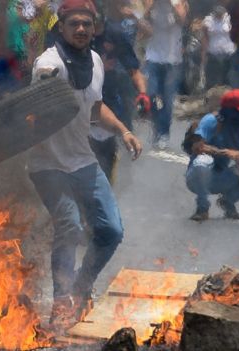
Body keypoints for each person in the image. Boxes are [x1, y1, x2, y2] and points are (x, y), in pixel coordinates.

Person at [29, 0, 143, 332]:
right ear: (61, 27)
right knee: (69, 227)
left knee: (111, 231)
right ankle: (62, 304)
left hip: (82, 160)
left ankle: (80, 288)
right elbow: (31, 114)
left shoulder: (94, 61)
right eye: (74, 24)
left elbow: (95, 107)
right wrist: (44, 89)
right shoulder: (47, 64)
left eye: (86, 24)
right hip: (47, 165)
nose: (81, 29)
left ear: (94, 28)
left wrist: (124, 131)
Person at [185, 89, 239, 221]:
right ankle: (202, 208)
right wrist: (224, 152)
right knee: (202, 162)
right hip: (197, 177)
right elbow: (196, 147)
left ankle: (228, 201)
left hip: (222, 176)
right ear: (231, 112)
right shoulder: (211, 121)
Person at [90, 9, 150, 181]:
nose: (87, 30)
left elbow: (133, 69)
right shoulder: (70, 36)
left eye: (95, 25)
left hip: (107, 97)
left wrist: (143, 94)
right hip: (78, 101)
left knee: (104, 150)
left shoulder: (116, 34)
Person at [142, 0, 189, 149]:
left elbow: (182, 20)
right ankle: (156, 128)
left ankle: (164, 134)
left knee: (168, 99)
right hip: (153, 57)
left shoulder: (179, 3)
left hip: (172, 60)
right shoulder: (151, 3)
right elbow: (144, 21)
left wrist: (172, 4)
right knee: (151, 95)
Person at [201, 5, 236, 89]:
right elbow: (205, 38)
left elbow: (235, 35)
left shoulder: (229, 19)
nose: (219, 16)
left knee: (228, 79)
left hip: (228, 53)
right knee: (213, 81)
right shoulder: (208, 21)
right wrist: (203, 54)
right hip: (213, 54)